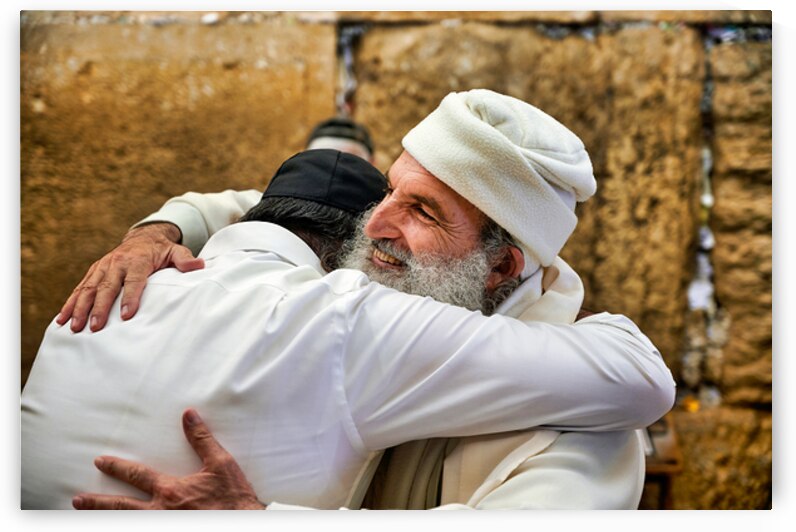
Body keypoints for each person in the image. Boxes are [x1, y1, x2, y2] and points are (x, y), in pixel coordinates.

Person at [37, 90, 675, 509]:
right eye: (390, 190)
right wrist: (158, 231)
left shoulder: (583, 420)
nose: (371, 226)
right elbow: (276, 214)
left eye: (422, 210)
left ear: (499, 267)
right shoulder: (387, 289)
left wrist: (259, 520)